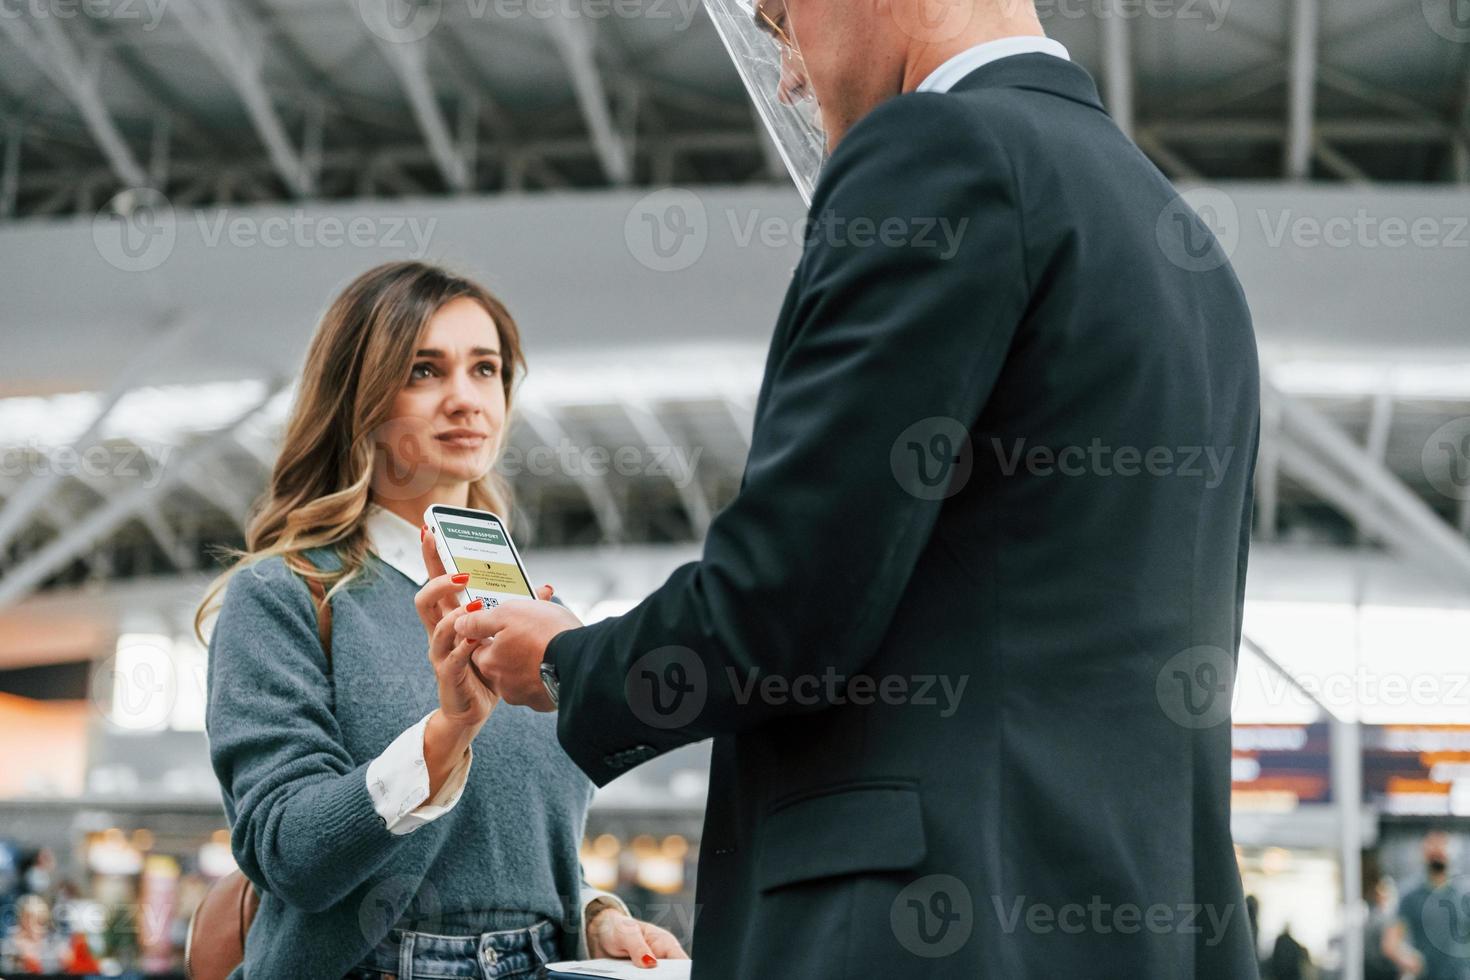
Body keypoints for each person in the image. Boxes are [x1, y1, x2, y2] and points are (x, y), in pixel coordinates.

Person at [458, 0, 1261, 976]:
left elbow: (790, 591)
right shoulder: (1178, 238)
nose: (788, 73)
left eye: (778, 18)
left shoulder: (940, 148)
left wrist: (568, 663)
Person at [195, 262, 687, 979]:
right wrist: (445, 733)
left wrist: (593, 915)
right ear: (361, 396)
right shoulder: (286, 593)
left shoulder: (528, 611)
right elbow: (286, 856)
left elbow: (503, 844)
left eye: (485, 370)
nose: (465, 398)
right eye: (425, 371)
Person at [1383, 831, 1470, 980]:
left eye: (1441, 847)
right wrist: (1407, 959)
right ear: (1423, 854)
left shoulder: (1464, 893)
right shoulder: (1410, 895)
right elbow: (1390, 943)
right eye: (1431, 848)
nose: (1436, 852)